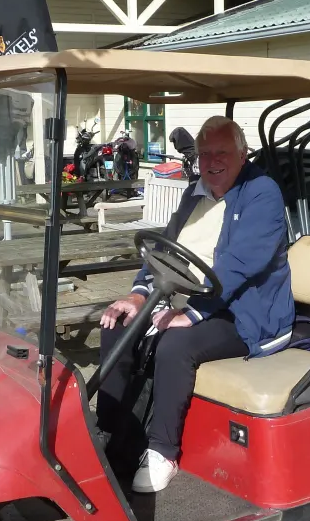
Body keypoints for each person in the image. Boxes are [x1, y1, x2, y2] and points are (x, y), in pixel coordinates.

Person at [97, 116, 295, 493]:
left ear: (243, 154)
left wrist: (191, 314)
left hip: (247, 313)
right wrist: (138, 295)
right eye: (205, 154)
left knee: (175, 345)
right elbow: (164, 251)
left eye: (222, 153)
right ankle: (109, 433)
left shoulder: (261, 192)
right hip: (189, 299)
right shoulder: (195, 193)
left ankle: (162, 451)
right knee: (116, 325)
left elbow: (241, 263)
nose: (212, 161)